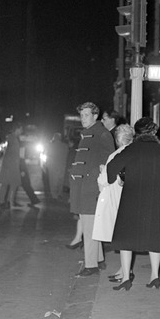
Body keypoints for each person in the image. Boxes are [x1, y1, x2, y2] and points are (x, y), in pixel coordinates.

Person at [105, 117, 160, 290]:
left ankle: (126, 277)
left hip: (132, 197)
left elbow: (111, 167)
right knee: (154, 236)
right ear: (153, 132)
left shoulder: (132, 148)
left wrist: (120, 176)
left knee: (126, 237)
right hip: (155, 199)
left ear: (137, 132)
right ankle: (155, 277)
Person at [69, 102, 115, 277]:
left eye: (86, 115)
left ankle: (91, 265)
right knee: (91, 225)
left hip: (91, 187)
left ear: (96, 116)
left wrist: (97, 181)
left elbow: (108, 161)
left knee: (89, 227)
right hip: (83, 186)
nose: (83, 118)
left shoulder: (101, 134)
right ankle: (99, 259)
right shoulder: (90, 133)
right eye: (81, 115)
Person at [93, 123, 134, 280]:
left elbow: (104, 180)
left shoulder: (116, 155)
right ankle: (123, 269)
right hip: (131, 196)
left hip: (115, 198)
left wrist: (102, 170)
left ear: (118, 139)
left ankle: (125, 271)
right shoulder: (135, 154)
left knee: (120, 236)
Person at [0, 123, 24, 208]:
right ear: (17, 129)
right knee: (12, 183)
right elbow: (13, 153)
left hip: (8, 164)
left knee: (7, 184)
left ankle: (4, 201)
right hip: (12, 165)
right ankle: (7, 201)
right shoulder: (14, 139)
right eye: (20, 129)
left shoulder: (11, 138)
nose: (21, 131)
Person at [45, 132, 70, 200]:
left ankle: (54, 195)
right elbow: (67, 155)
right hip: (62, 166)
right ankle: (59, 194)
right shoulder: (65, 146)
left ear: (54, 138)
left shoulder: (51, 146)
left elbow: (48, 155)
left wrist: (46, 165)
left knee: (53, 182)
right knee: (60, 181)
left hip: (53, 167)